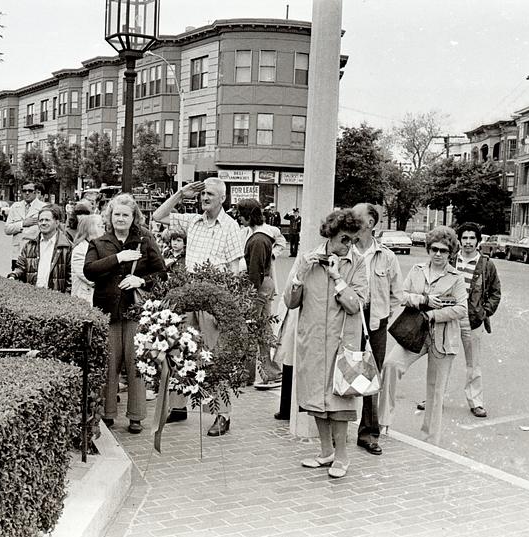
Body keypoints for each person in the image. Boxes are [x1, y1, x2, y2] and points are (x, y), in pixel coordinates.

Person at [151, 178, 243, 436]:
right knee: (180, 353)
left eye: (211, 194)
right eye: (203, 194)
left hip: (213, 301)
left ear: (222, 198)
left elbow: (236, 269)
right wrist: (181, 193)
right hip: (188, 297)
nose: (205, 198)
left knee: (213, 357)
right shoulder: (193, 221)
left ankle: (222, 415)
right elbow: (159, 215)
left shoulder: (231, 227)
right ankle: (178, 406)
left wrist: (227, 308)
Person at [285, 209, 367, 479]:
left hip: (341, 343)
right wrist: (300, 274)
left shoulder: (357, 263)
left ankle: (342, 456)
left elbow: (356, 305)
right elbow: (290, 302)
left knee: (339, 403)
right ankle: (325, 452)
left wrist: (337, 278)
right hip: (312, 341)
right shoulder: (307, 258)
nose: (349, 246)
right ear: (331, 235)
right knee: (317, 401)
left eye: (354, 241)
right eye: (345, 239)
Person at [84, 193, 167, 434]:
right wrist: (118, 258)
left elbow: (161, 274)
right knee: (109, 363)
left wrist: (139, 280)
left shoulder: (144, 240)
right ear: (110, 216)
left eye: (125, 215)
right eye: (117, 214)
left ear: (134, 218)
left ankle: (136, 417)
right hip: (108, 312)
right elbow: (90, 270)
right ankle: (108, 414)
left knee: (136, 365)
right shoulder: (99, 243)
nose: (120, 218)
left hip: (135, 313)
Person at [378, 226, 468, 446]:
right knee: (391, 365)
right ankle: (383, 420)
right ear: (428, 249)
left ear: (451, 253)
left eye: (444, 251)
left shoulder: (456, 278)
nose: (438, 254)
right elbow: (402, 295)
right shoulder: (417, 270)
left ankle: (430, 440)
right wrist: (423, 300)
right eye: (434, 249)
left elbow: (461, 309)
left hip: (442, 339)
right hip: (413, 332)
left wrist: (433, 315)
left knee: (435, 390)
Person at [418, 222, 501, 418]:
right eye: (465, 238)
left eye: (472, 238)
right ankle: (434, 398)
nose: (468, 242)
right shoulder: (450, 260)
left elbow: (496, 293)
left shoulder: (486, 265)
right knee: (441, 359)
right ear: (459, 240)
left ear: (478, 241)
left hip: (472, 322)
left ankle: (476, 402)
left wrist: (483, 312)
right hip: (448, 318)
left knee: (474, 363)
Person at [350, 203, 403, 456]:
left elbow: (397, 294)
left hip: (375, 321)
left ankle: (368, 434)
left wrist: (383, 315)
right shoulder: (344, 250)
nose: (352, 220)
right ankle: (336, 427)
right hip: (349, 320)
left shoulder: (386, 256)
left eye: (357, 217)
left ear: (370, 222)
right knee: (344, 369)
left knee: (372, 377)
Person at [235, 199, 276, 387]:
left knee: (250, 329)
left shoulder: (258, 239)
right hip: (265, 284)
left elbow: (255, 271)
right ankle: (270, 372)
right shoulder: (262, 236)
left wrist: (248, 293)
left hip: (258, 287)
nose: (238, 218)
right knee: (263, 330)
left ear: (249, 215)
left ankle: (247, 374)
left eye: (240, 214)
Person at [7, 204, 73, 292]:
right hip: (33, 296)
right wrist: (13, 275)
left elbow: (71, 277)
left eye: (47, 220)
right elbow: (21, 267)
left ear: (57, 223)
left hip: (56, 299)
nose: (43, 223)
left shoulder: (67, 247)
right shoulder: (30, 245)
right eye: (41, 220)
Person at [4, 182, 46, 271]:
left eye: (30, 191)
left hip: (35, 253)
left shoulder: (43, 207)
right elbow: (7, 229)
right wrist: (23, 223)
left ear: (35, 192)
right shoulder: (16, 207)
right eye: (24, 191)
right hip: (17, 253)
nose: (27, 193)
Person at [71, 214, 105, 303]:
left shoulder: (102, 247)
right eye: (100, 226)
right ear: (89, 229)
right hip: (85, 299)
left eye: (103, 226)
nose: (104, 229)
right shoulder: (79, 250)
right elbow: (89, 278)